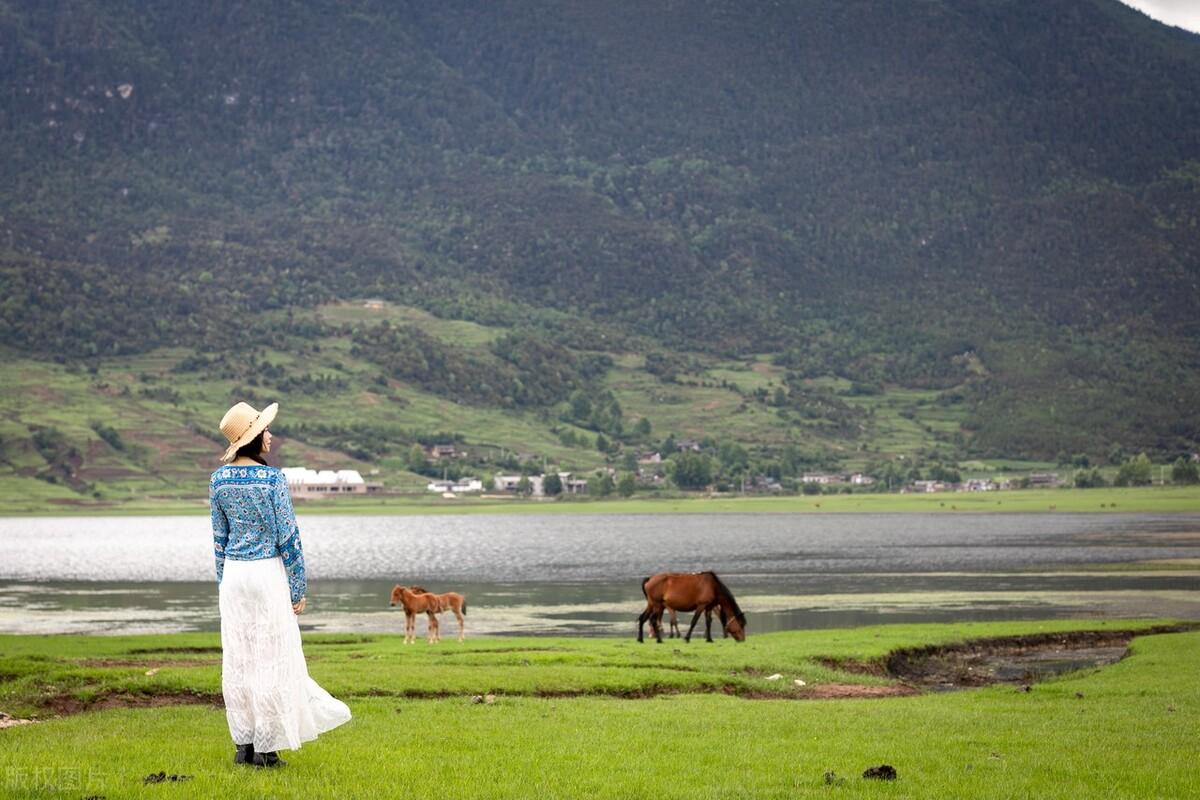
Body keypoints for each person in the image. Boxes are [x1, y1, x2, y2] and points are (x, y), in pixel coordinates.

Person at [210, 401, 351, 768]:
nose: (270, 435)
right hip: (265, 572)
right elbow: (288, 536)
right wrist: (298, 586)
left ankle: (244, 744)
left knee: (239, 657)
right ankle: (267, 748)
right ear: (254, 438)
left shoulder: (218, 479)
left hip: (235, 577)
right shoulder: (272, 480)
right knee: (271, 657)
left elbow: (219, 539)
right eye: (265, 430)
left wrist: (223, 581)